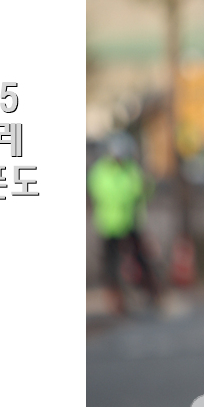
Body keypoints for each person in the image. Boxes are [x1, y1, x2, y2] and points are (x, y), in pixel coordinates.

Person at [88, 132, 159, 313]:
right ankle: (115, 299)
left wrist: (146, 186)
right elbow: (100, 193)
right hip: (108, 224)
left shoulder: (131, 169)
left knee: (140, 257)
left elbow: (143, 190)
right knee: (110, 264)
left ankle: (151, 291)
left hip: (129, 221)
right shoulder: (100, 172)